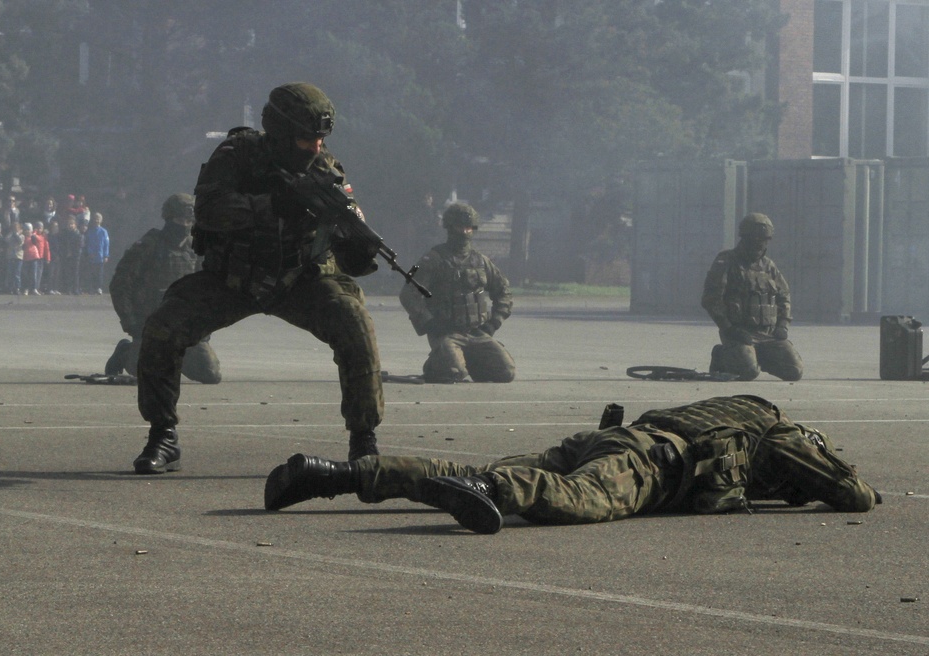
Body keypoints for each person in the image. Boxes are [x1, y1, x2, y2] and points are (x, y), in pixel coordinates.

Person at [130, 81, 384, 475]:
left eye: (320, 138)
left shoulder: (326, 170)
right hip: (233, 278)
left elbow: (352, 247)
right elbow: (209, 211)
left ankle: (364, 440)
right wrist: (271, 206)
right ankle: (163, 435)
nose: (315, 147)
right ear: (280, 132)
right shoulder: (237, 155)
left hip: (301, 279)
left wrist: (358, 245)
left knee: (355, 323)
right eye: (305, 138)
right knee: (164, 327)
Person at [265, 395, 880, 534]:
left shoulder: (722, 407)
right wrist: (828, 472)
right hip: (649, 459)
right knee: (583, 501)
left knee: (485, 465)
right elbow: (851, 494)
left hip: (612, 437)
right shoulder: (774, 426)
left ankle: (338, 475)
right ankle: (490, 490)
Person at [105, 193, 222, 384]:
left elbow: (209, 289)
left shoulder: (197, 249)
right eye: (179, 220)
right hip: (151, 324)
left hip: (186, 325)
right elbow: (120, 285)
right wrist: (131, 322)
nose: (184, 225)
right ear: (168, 219)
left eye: (188, 221)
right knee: (148, 373)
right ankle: (125, 352)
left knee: (210, 374)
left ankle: (173, 358)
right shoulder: (149, 246)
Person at [399, 202, 515, 383]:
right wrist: (429, 323)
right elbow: (408, 294)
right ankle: (437, 364)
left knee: (505, 372)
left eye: (468, 227)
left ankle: (467, 360)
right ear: (450, 228)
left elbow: (504, 292)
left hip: (477, 333)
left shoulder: (481, 261)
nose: (464, 232)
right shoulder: (433, 259)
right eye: (460, 227)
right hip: (446, 333)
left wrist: (493, 323)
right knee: (453, 372)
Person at [701, 213, 803, 382]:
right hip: (738, 332)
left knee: (794, 371)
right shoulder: (726, 261)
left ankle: (754, 356)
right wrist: (729, 328)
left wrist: (783, 324)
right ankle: (722, 356)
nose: (760, 243)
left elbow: (783, 295)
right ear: (745, 237)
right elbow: (711, 299)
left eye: (764, 239)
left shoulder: (769, 266)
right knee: (747, 373)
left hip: (768, 335)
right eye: (756, 238)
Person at [83, 212, 110, 294]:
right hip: (92, 257)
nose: (96, 220)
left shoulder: (104, 231)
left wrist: (106, 255)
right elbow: (88, 243)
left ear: (101, 220)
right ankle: (92, 287)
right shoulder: (90, 231)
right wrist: (90, 253)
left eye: (98, 219)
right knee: (92, 273)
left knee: (100, 273)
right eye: (95, 219)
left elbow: (106, 244)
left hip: (101, 257)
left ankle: (99, 287)